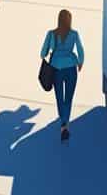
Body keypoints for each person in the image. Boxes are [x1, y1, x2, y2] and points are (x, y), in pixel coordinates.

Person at [41, 9, 84, 142]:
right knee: (68, 97)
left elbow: (43, 52)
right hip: (71, 67)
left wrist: (47, 55)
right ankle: (66, 122)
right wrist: (80, 62)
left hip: (56, 68)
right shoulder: (74, 34)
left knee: (59, 96)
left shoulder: (51, 34)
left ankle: (63, 122)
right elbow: (80, 49)